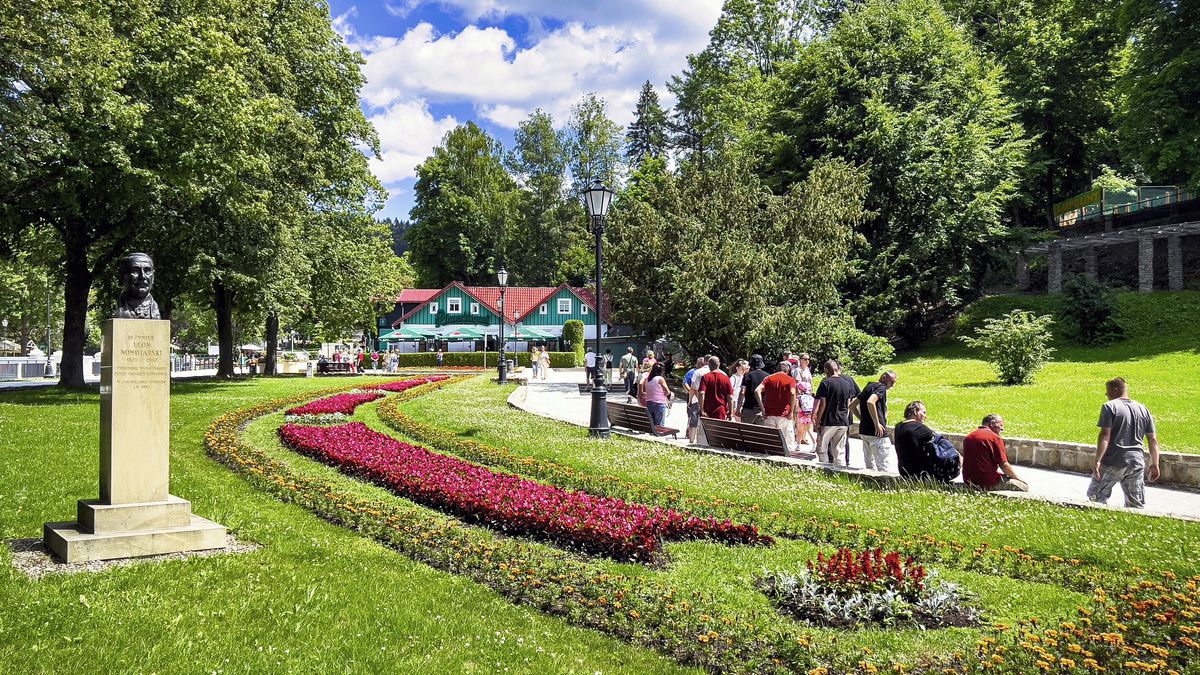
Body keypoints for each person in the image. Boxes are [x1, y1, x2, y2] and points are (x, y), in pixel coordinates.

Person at [1087, 377, 1160, 508]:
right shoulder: (1143, 409)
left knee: (1095, 497)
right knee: (1135, 504)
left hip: (1113, 460)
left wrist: (1097, 460)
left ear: (1115, 390)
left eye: (1107, 390)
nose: (1106, 394)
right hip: (1136, 463)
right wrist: (1154, 464)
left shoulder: (1109, 406)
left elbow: (1105, 435)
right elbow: (1152, 439)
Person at [813, 360, 861, 466]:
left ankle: (824, 468)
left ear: (826, 370)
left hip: (828, 421)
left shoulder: (825, 383)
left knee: (821, 448)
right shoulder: (847, 384)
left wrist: (818, 421)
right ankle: (840, 470)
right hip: (843, 421)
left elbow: (823, 404)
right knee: (839, 450)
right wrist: (846, 419)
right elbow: (849, 404)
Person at [963, 414, 1028, 491]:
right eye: (1001, 425)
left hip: (968, 480)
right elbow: (1004, 466)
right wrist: (1019, 479)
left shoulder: (969, 436)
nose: (1002, 428)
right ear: (992, 423)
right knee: (1023, 486)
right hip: (987, 482)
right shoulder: (995, 438)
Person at [852, 370, 898, 472]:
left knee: (869, 466)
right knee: (883, 466)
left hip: (864, 431)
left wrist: (862, 419)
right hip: (877, 433)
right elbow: (870, 402)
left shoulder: (869, 386)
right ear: (884, 378)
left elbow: (852, 406)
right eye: (891, 382)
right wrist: (877, 423)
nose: (892, 385)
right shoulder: (881, 387)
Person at [756, 361, 798, 450]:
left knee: (770, 442)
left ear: (777, 369)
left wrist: (762, 408)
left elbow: (757, 390)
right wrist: (791, 411)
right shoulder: (790, 380)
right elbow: (792, 393)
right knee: (787, 444)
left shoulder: (769, 378)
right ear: (788, 370)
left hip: (769, 413)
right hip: (784, 415)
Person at [894, 400, 939, 480]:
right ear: (915, 412)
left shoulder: (898, 426)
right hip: (919, 472)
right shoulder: (919, 428)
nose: (925, 416)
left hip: (903, 470)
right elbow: (939, 440)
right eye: (924, 412)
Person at [736, 354, 771, 425]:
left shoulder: (747, 376)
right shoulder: (768, 376)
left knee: (746, 430)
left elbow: (742, 392)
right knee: (759, 431)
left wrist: (738, 408)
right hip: (762, 409)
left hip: (748, 409)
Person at [698, 356, 734, 421]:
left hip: (707, 411)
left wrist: (702, 410)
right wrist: (730, 412)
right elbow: (730, 397)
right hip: (721, 411)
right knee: (718, 427)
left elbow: (701, 393)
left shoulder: (705, 377)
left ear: (709, 365)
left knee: (706, 427)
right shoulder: (726, 378)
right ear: (719, 364)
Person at [640, 362, 673, 428]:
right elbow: (667, 392)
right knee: (659, 425)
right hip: (659, 404)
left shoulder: (648, 379)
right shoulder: (660, 379)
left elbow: (646, 389)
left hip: (649, 403)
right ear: (661, 371)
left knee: (652, 424)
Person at [684, 357, 709, 443]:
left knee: (693, 418)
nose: (697, 365)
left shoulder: (697, 372)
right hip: (705, 399)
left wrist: (690, 399)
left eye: (699, 363)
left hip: (695, 399)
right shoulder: (693, 371)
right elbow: (686, 383)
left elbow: (693, 388)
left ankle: (691, 440)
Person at [795, 381, 815, 446]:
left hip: (801, 417)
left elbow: (798, 408)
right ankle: (814, 445)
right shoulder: (810, 397)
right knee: (810, 431)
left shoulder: (799, 397)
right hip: (809, 416)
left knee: (800, 432)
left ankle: (798, 446)